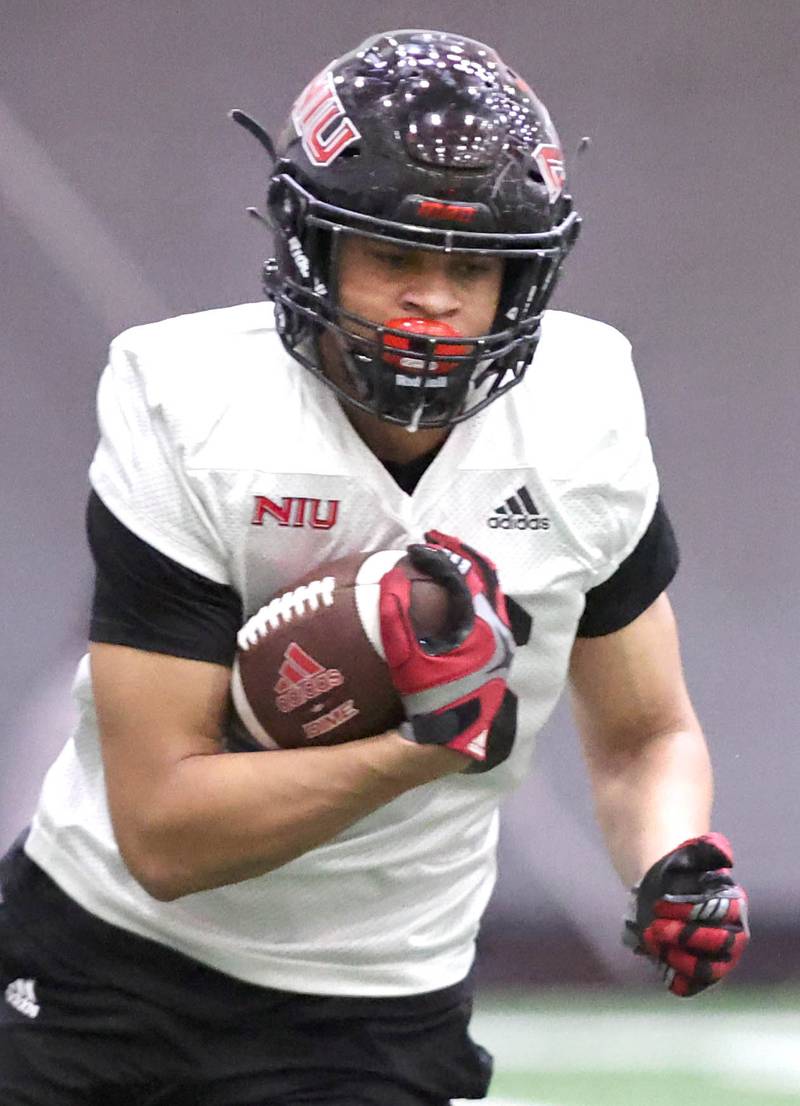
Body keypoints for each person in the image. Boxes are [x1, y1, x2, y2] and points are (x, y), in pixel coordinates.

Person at [0, 28, 748, 1106]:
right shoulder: (189, 403)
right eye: (394, 255)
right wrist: (419, 744)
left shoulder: (581, 413)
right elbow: (162, 832)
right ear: (313, 249)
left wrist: (676, 860)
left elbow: (644, 735)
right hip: (99, 956)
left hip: (375, 1001)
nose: (433, 301)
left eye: (471, 265)